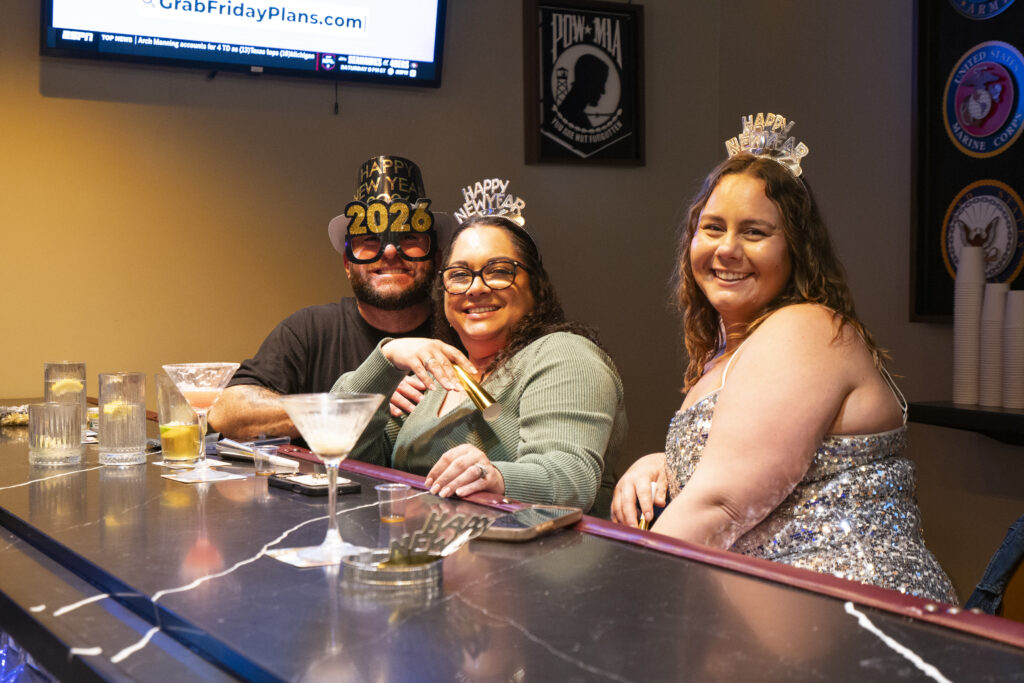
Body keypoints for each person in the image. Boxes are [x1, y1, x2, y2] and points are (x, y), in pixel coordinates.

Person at [611, 113, 956, 603]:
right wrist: (664, 464)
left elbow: (723, 505)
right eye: (712, 228)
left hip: (857, 607)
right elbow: (749, 457)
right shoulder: (724, 353)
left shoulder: (804, 328)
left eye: (754, 232)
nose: (727, 249)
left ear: (796, 249)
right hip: (779, 604)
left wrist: (615, 588)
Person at [333, 206, 627, 513]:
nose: (475, 288)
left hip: (533, 543)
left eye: (498, 272)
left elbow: (570, 480)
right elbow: (342, 453)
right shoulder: (437, 376)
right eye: (459, 275)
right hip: (413, 539)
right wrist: (387, 358)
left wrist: (495, 477)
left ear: (535, 286)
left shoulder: (564, 354)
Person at [209, 156, 452, 440]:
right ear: (348, 265)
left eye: (409, 237)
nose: (389, 251)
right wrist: (353, 404)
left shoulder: (463, 330)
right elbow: (226, 413)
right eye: (370, 239)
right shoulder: (310, 329)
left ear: (437, 260)